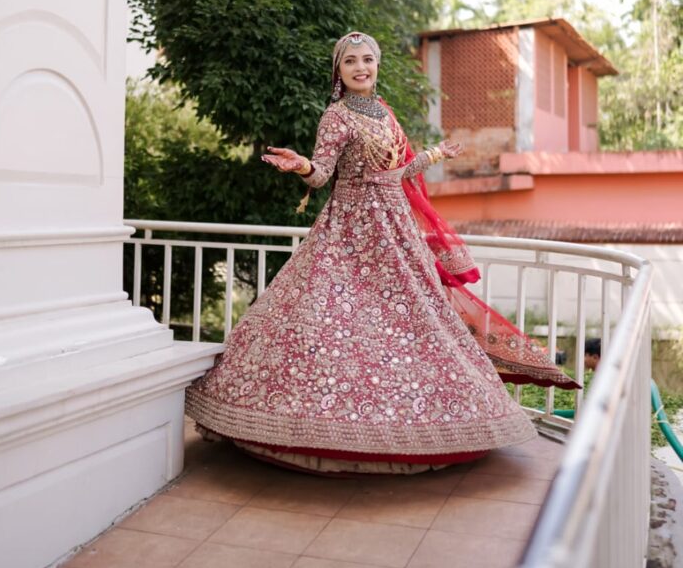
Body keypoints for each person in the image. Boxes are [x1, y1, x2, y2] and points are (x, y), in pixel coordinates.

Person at [186, 31, 576, 475]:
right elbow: (322, 177)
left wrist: (432, 154)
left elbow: (398, 174)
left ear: (377, 65)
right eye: (350, 61)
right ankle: (315, 428)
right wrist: (302, 166)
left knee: (417, 321)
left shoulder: (384, 113)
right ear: (339, 70)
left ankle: (437, 425)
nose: (360, 67)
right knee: (334, 321)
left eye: (367, 60)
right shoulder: (336, 116)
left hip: (395, 232)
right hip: (350, 232)